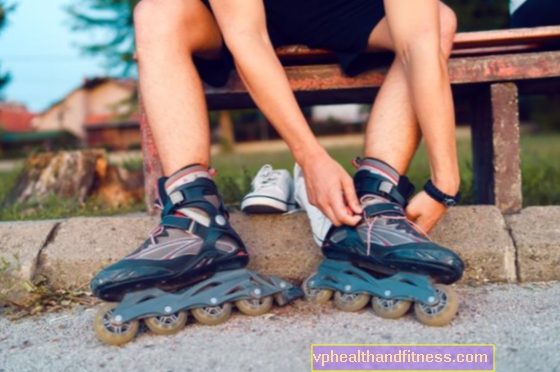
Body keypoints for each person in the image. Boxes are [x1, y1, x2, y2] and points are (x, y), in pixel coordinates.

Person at [90, 0, 464, 323]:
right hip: (229, 18)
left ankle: (373, 205)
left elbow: (420, 41)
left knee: (437, 19)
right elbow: (246, 35)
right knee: (156, 12)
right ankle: (196, 218)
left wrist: (444, 183)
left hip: (334, 9)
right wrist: (311, 156)